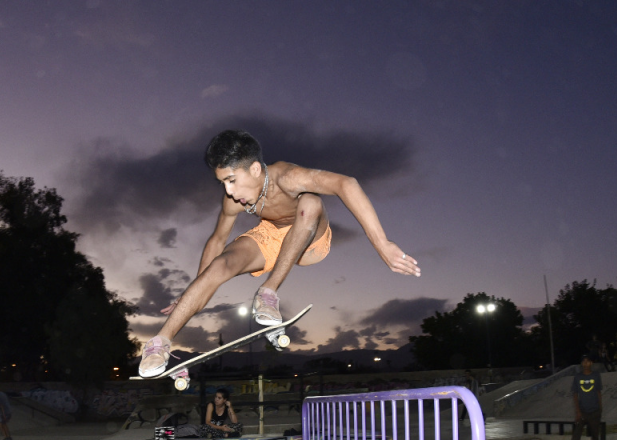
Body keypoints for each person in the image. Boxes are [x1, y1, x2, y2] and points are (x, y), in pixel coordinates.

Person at [139, 129, 421, 377]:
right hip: (269, 235)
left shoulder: (289, 177)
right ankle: (160, 343)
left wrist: (382, 244)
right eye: (223, 183)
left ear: (254, 169)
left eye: (232, 180)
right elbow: (216, 241)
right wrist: (193, 291)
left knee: (310, 202)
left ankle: (268, 293)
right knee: (220, 263)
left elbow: (346, 184)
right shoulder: (233, 201)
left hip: (310, 237)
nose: (229, 191)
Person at [571, 355, 603, 440]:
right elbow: (575, 394)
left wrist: (600, 408)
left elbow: (598, 391)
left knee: (595, 435)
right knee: (576, 435)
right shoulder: (578, 377)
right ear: (581, 363)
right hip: (582, 412)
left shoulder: (596, 375)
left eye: (587, 361)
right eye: (583, 361)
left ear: (591, 363)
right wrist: (578, 411)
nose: (585, 363)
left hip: (594, 411)